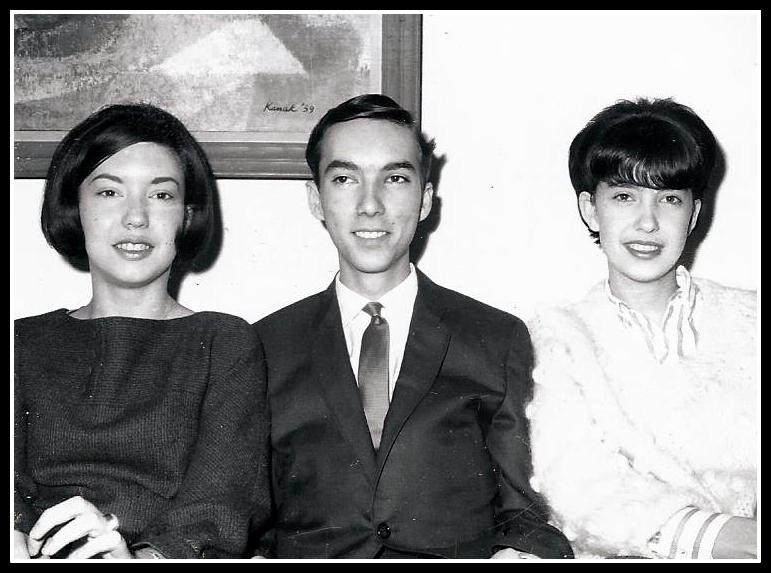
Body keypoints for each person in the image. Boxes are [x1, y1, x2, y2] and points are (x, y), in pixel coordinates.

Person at [252, 94, 573, 559]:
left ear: (424, 200)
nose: (370, 205)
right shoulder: (264, 345)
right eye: (344, 179)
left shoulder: (495, 338)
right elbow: (246, 519)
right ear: (315, 199)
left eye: (395, 178)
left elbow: (526, 514)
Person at [13, 103, 270, 559]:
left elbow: (219, 508)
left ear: (187, 215)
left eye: (161, 195)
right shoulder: (22, 343)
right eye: (109, 192)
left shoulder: (225, 343)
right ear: (74, 207)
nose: (136, 217)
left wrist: (138, 558)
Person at [526, 98, 757, 559]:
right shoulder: (557, 337)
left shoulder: (751, 322)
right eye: (624, 196)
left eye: (669, 198)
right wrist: (727, 537)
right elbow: (579, 486)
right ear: (591, 209)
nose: (648, 222)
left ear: (693, 214)